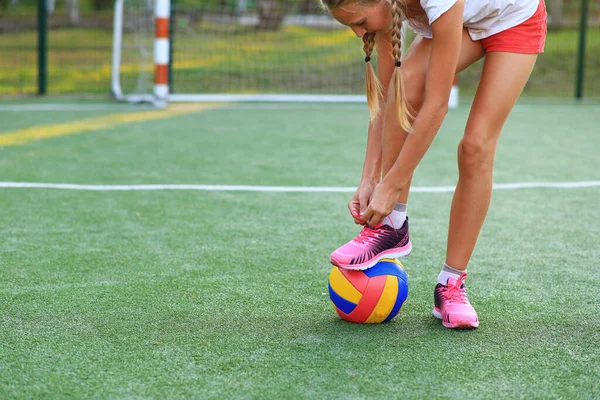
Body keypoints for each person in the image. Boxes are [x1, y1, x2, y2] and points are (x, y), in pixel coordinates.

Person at [320, 0, 547, 329]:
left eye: (358, 21)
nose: (357, 31)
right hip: (465, 18)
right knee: (406, 82)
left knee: (475, 147)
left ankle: (452, 284)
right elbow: (387, 97)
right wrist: (369, 179)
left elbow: (437, 103)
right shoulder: (385, 13)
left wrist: (391, 184)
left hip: (515, 18)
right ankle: (391, 228)